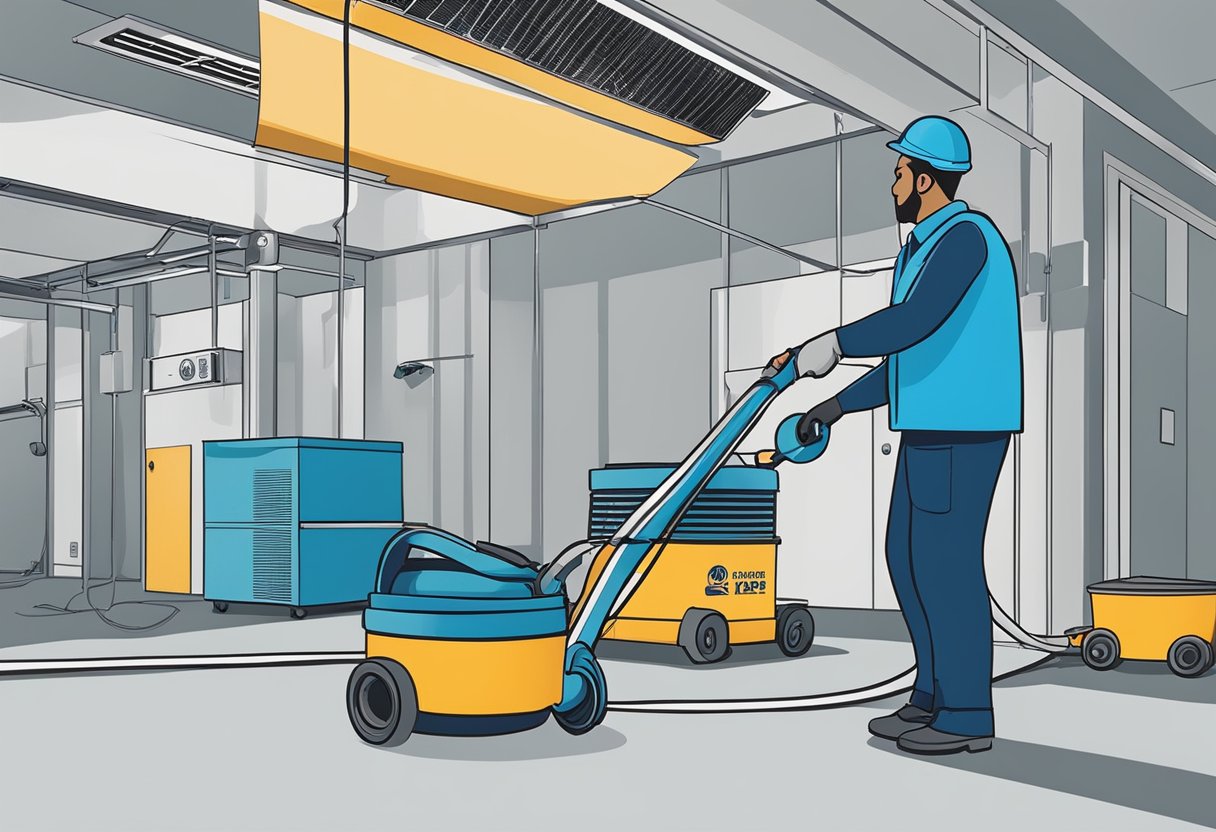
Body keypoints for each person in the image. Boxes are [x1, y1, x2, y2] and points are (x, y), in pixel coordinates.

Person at [766, 115, 1023, 755]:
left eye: (900, 171)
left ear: (927, 178)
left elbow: (913, 323)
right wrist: (834, 406)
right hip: (928, 427)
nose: (893, 183)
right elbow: (910, 360)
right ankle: (931, 695)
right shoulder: (923, 246)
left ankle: (966, 713)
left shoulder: (966, 238)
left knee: (947, 565)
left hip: (964, 431)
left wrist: (827, 345)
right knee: (906, 559)